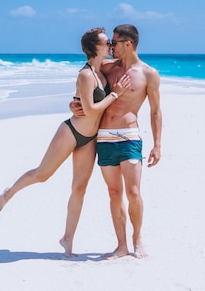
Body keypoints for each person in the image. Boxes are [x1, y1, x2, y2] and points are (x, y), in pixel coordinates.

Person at [0, 27, 131, 258]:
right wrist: (115, 94)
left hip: (89, 140)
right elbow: (90, 110)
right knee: (42, 174)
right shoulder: (85, 74)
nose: (109, 44)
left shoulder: (103, 73)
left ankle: (67, 239)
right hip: (71, 132)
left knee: (79, 188)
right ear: (94, 47)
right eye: (106, 41)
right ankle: (10, 192)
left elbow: (84, 102)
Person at [70, 24, 162, 259]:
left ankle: (137, 239)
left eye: (114, 42)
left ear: (128, 43)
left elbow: (155, 111)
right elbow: (85, 84)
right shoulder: (107, 67)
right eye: (109, 42)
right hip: (104, 137)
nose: (110, 46)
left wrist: (157, 145)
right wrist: (73, 103)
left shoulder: (148, 73)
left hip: (130, 136)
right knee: (114, 192)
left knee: (133, 192)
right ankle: (121, 246)